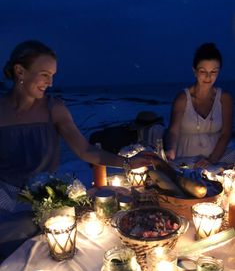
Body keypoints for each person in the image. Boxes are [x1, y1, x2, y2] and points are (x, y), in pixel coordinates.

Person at [0, 40, 158, 258]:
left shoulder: (54, 108)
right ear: (20, 71)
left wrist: (128, 163)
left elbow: (86, 151)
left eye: (53, 75)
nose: (51, 83)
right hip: (4, 203)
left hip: (47, 203)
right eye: (45, 74)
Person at [165, 42, 235, 168]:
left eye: (214, 71)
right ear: (194, 71)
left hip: (217, 158)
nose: (208, 77)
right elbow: (173, 131)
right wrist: (170, 150)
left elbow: (226, 133)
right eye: (203, 71)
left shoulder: (225, 98)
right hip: (186, 158)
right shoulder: (183, 98)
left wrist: (211, 160)